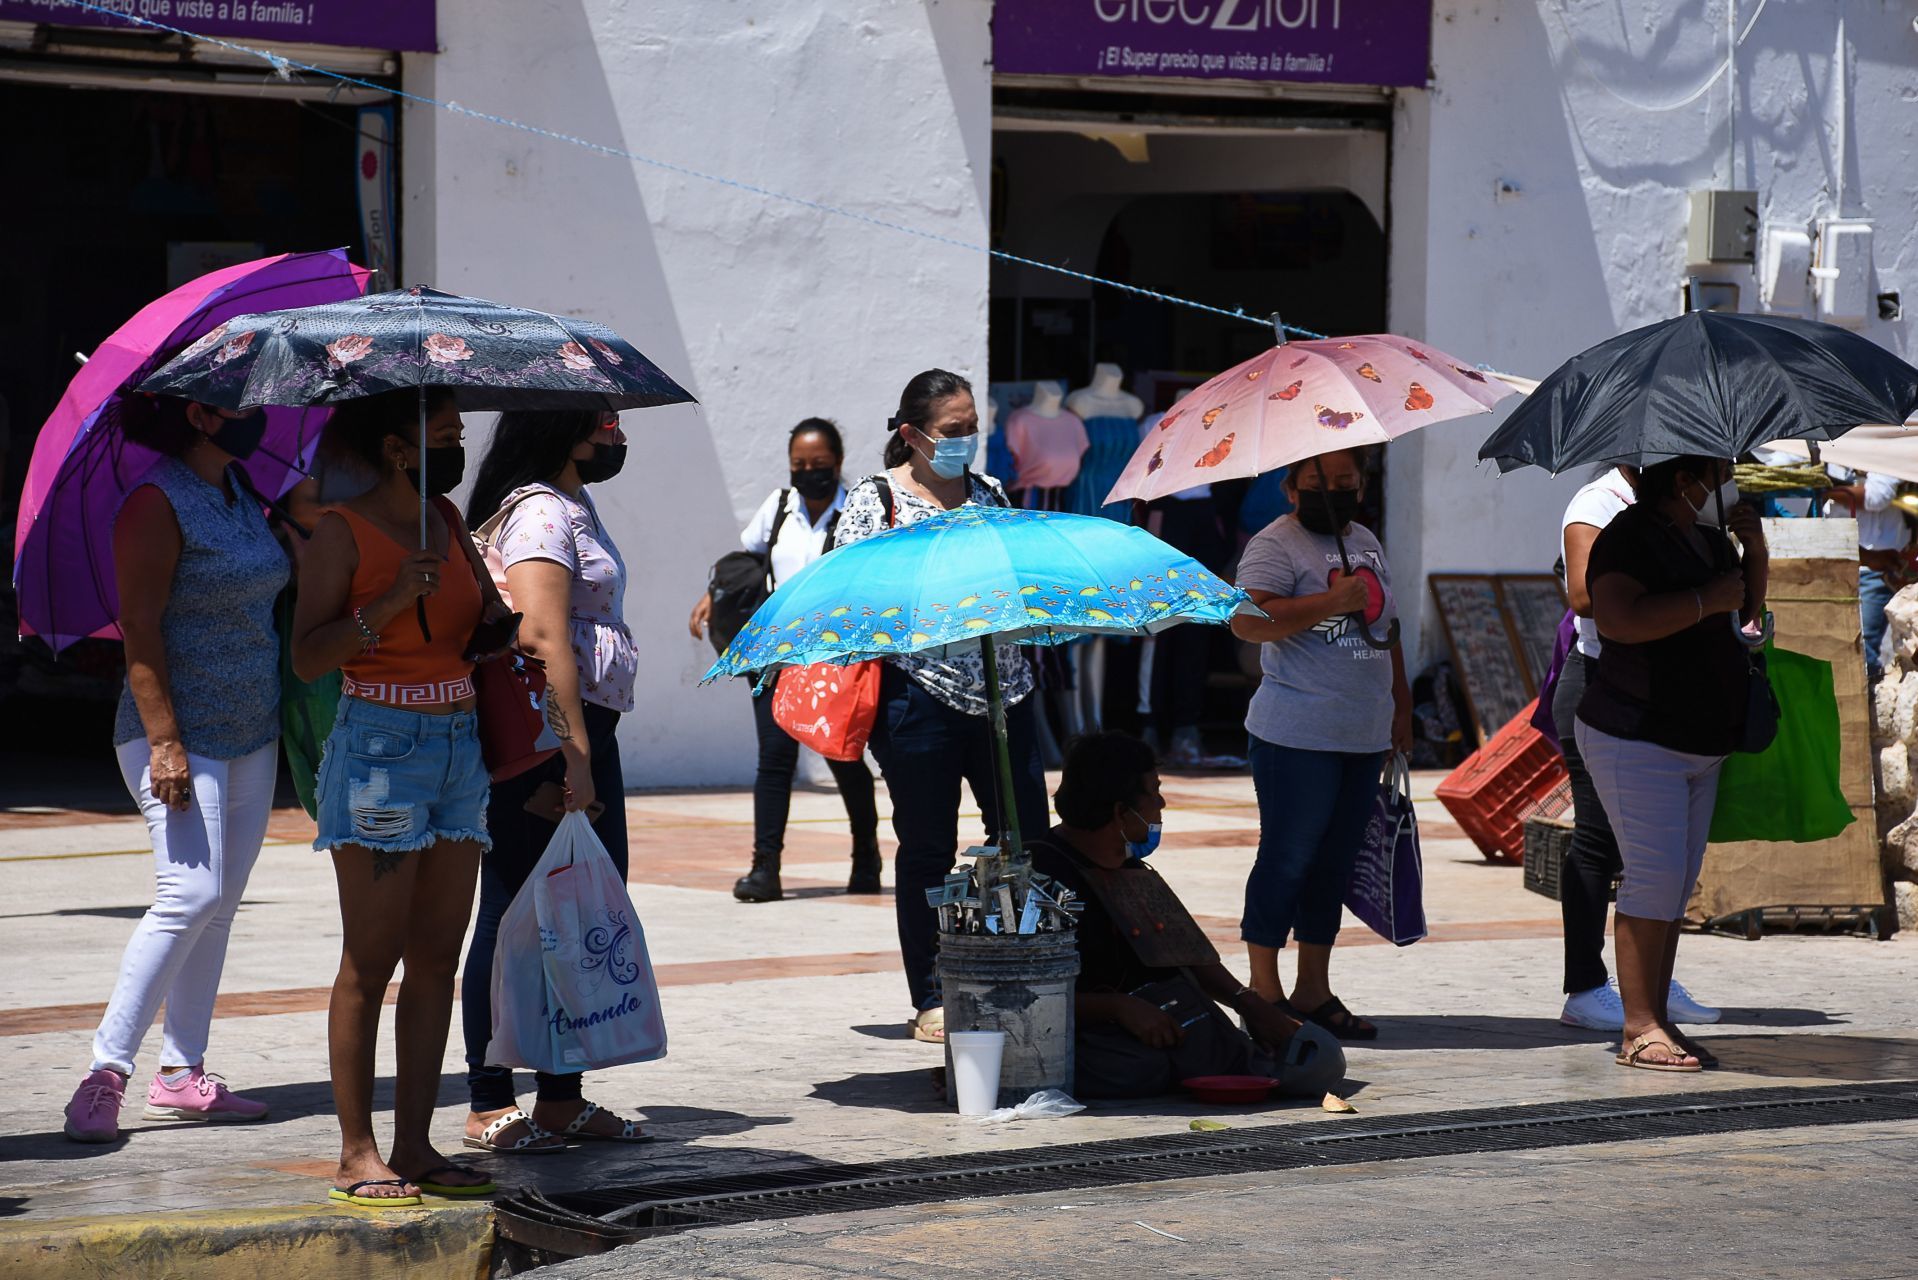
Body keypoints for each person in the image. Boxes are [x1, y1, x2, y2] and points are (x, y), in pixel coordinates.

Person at [292, 388, 505, 1205]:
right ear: (396, 447)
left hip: (458, 748)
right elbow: (308, 657)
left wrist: (494, 609)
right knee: (371, 959)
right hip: (380, 751)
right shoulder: (340, 533)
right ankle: (357, 1152)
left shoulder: (446, 519)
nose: (458, 448)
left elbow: (475, 627)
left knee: (437, 959)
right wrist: (385, 605)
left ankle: (415, 1145)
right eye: (445, 434)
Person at [62, 396, 287, 1143]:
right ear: (199, 415)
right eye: (240, 399)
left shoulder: (241, 490)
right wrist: (165, 741)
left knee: (219, 906)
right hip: (177, 735)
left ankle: (182, 1073)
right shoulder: (155, 502)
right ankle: (105, 1073)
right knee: (189, 895)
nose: (258, 408)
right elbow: (140, 626)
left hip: (251, 728)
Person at [835, 369, 1049, 1044]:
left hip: (1006, 692)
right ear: (912, 434)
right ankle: (931, 993)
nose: (966, 441)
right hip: (918, 696)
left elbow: (1019, 577)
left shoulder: (990, 493)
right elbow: (852, 594)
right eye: (953, 431)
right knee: (927, 847)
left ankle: (1019, 969)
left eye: (973, 429)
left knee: (1025, 839)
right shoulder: (876, 501)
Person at [455, 408, 647, 1154]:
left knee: (573, 911)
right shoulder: (539, 513)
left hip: (584, 731)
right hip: (550, 737)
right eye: (607, 424)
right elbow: (540, 638)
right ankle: (488, 1099)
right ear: (562, 429)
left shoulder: (572, 503)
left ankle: (561, 1097)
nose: (618, 438)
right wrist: (574, 756)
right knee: (512, 913)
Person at [1576, 454, 1767, 1072]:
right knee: (1653, 877)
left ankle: (1656, 1015)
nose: (1725, 485)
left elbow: (1744, 612)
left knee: (1675, 884)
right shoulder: (1627, 537)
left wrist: (1754, 550)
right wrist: (1703, 600)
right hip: (1637, 734)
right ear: (1683, 481)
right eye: (1717, 476)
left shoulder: (1707, 539)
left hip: (1699, 740)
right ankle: (1639, 1029)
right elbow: (1616, 619)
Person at [1028, 733, 1345, 1099]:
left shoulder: (1131, 869)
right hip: (1070, 1031)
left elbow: (1186, 953)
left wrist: (1250, 1004)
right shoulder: (1037, 875)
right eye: (1154, 792)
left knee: (1318, 1058)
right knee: (1137, 1070)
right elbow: (1019, 995)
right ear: (1120, 812)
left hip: (1151, 1019)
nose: (1161, 803)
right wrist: (1117, 1008)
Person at [1228, 448, 1412, 1042]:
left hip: (1362, 732)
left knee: (1333, 863)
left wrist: (1401, 704)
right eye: (1316, 480)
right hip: (1296, 733)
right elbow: (1247, 622)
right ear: (1290, 488)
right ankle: (1263, 991)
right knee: (1288, 858)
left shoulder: (1365, 541)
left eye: (1345, 480)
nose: (1331, 490)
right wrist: (1331, 602)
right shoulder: (1275, 544)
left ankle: (1313, 987)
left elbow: (1387, 629)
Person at [687, 418, 883, 903]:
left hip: (833, 656)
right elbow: (748, 558)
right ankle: (765, 868)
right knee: (774, 760)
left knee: (841, 756)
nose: (808, 472)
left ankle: (866, 856)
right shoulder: (778, 507)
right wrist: (714, 596)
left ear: (838, 462)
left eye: (819, 464)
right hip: (775, 653)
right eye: (799, 464)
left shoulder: (856, 513)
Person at [1555, 466, 1720, 1032]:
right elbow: (1584, 596)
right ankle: (1586, 986)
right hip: (1603, 683)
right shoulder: (1598, 503)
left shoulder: (1692, 511)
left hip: (1661, 690)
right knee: (1599, 842)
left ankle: (1650, 982)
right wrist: (1689, 596)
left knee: (1662, 858)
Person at [1824, 467, 1913, 681]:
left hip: (1875, 563)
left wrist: (1823, 490)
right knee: (1836, 641)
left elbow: (1876, 496)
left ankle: (1865, 696)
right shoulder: (1830, 455)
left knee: (1862, 645)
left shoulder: (1882, 451)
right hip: (1838, 559)